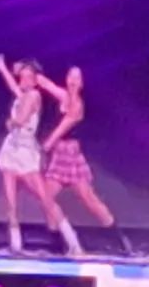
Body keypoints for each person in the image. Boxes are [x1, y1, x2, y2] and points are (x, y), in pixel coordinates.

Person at [0, 55, 82, 256]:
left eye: (27, 77)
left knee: (45, 198)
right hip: (11, 148)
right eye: (21, 77)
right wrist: (4, 68)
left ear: (34, 81)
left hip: (26, 152)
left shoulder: (34, 96)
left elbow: (21, 118)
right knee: (10, 202)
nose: (22, 80)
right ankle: (16, 245)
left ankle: (72, 241)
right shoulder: (23, 94)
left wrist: (12, 122)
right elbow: (14, 89)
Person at [36, 67, 131, 252]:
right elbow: (47, 84)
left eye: (76, 78)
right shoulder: (63, 96)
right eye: (70, 76)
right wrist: (32, 73)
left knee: (89, 199)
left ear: (81, 83)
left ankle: (119, 239)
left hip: (71, 156)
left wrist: (46, 144)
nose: (72, 80)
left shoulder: (78, 106)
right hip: (59, 156)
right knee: (46, 197)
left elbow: (61, 129)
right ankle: (56, 240)